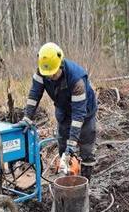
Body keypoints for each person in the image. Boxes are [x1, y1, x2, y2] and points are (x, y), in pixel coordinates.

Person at [16, 42, 98, 179]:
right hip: (63, 111)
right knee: (63, 146)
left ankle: (86, 182)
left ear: (60, 65)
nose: (49, 78)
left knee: (86, 149)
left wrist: (73, 143)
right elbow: (34, 94)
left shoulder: (77, 80)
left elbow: (78, 115)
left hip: (84, 113)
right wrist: (27, 117)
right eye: (47, 75)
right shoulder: (42, 71)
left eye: (53, 75)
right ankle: (65, 176)